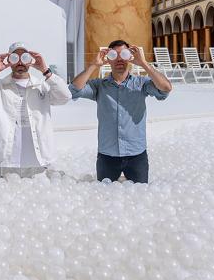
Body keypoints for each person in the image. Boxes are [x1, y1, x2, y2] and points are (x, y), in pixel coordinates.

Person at [69, 40, 172, 183]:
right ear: (108, 59)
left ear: (129, 57)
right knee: (104, 199)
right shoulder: (100, 86)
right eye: (113, 55)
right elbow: (74, 90)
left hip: (136, 154)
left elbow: (165, 88)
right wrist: (93, 65)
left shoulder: (141, 84)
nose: (119, 59)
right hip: (107, 156)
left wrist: (143, 63)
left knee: (140, 198)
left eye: (123, 54)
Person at [0, 42, 72, 177]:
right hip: (7, 158)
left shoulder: (42, 85)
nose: (20, 62)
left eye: (25, 58)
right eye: (15, 58)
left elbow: (65, 97)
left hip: (39, 158)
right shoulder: (0, 86)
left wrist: (45, 70)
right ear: (9, 60)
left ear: (31, 60)